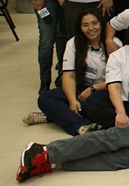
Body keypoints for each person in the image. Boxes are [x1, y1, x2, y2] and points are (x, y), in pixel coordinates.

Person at [24, 8, 108, 136]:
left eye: (94, 23)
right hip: (80, 87)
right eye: (85, 25)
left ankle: (52, 116)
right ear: (80, 28)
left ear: (101, 24)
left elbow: (117, 79)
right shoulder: (73, 43)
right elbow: (68, 76)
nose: (91, 28)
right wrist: (72, 100)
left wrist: (92, 89)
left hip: (102, 89)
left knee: (91, 106)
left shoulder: (112, 43)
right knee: (45, 98)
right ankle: (81, 126)